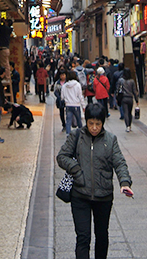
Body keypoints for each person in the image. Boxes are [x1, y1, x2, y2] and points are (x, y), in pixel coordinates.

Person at [57, 103, 134, 259]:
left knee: (101, 235)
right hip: (80, 194)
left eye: (97, 124)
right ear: (86, 121)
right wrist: (76, 170)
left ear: (102, 123)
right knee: (83, 237)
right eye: (91, 123)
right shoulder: (76, 136)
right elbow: (62, 156)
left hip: (103, 196)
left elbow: (119, 163)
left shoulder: (110, 140)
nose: (94, 127)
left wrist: (124, 182)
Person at [62, 70, 86, 134]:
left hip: (68, 105)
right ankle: (81, 133)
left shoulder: (64, 85)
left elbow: (62, 96)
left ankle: (68, 134)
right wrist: (83, 106)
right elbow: (80, 96)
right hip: (76, 105)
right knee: (79, 120)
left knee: (68, 121)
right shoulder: (77, 85)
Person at [116, 68, 138, 132]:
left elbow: (117, 90)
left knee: (125, 112)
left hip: (124, 98)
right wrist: (136, 100)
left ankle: (127, 126)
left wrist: (117, 98)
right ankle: (130, 125)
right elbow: (134, 91)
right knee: (129, 112)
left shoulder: (120, 80)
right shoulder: (132, 81)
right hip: (130, 98)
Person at [0, 16, 13, 80]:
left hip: (3, 49)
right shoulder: (8, 29)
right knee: (4, 64)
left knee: (4, 65)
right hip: (5, 49)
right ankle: (6, 77)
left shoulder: (5, 28)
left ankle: (6, 78)